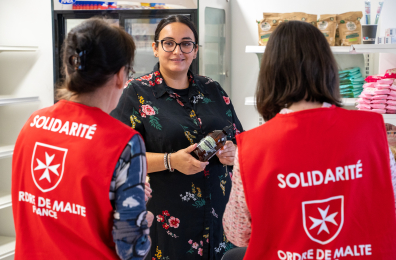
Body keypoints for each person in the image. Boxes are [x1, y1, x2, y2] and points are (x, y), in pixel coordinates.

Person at [223, 21, 396, 259]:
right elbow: (391, 206)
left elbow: (238, 232)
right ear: (327, 66)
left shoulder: (252, 147)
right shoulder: (372, 130)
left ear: (272, 73)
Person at [12, 18, 152, 260]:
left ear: (70, 68)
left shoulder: (33, 123)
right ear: (120, 76)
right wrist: (142, 218)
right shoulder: (124, 143)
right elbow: (130, 249)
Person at [111, 15, 243, 260]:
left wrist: (233, 153)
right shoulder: (134, 92)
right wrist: (170, 160)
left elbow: (240, 139)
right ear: (155, 48)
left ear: (195, 50)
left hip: (219, 219)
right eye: (168, 43)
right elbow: (117, 158)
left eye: (186, 44)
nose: (177, 51)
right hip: (167, 221)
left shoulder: (213, 89)